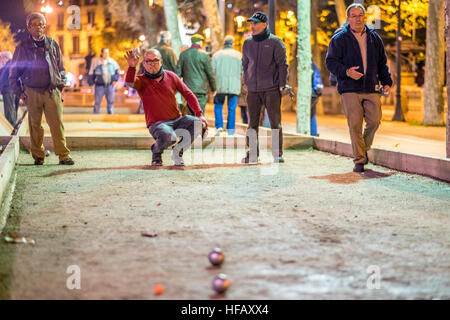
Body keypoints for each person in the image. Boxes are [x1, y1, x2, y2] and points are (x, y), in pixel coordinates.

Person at [325, 3, 392, 172]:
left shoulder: (374, 38)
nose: (357, 18)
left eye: (360, 15)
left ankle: (363, 148)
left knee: (375, 121)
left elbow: (382, 63)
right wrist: (347, 72)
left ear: (364, 17)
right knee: (355, 124)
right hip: (349, 88)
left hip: (371, 87)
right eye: (353, 16)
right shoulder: (339, 38)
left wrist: (387, 82)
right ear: (348, 19)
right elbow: (330, 62)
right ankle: (359, 160)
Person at [9, 12, 74, 165]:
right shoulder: (22, 47)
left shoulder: (52, 44)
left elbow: (60, 67)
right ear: (28, 27)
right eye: (34, 24)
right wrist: (20, 92)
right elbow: (13, 73)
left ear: (44, 26)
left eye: (41, 24)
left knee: (57, 124)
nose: (38, 27)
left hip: (52, 91)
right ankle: (38, 156)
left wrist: (60, 85)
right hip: (32, 91)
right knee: (35, 126)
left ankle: (63, 155)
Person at [125, 49, 208, 166]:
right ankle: (156, 152)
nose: (152, 64)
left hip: (176, 120)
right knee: (170, 137)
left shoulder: (171, 76)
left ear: (161, 61)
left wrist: (199, 114)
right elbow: (129, 82)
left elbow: (188, 94)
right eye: (148, 61)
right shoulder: (141, 80)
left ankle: (178, 151)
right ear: (143, 63)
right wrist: (132, 67)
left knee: (197, 123)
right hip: (157, 124)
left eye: (155, 60)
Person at [241, 12, 288, 163]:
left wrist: (281, 84)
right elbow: (245, 64)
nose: (252, 26)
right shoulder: (247, 43)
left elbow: (282, 65)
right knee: (252, 123)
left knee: (275, 122)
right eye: (251, 23)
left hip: (271, 89)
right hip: (253, 89)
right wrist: (247, 81)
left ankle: (277, 153)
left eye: (255, 23)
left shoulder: (276, 42)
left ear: (264, 24)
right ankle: (252, 153)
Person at [177, 34, 216, 115]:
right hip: (201, 90)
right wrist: (214, 88)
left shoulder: (183, 54)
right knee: (199, 113)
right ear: (200, 42)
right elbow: (210, 73)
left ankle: (191, 127)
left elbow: (178, 74)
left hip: (188, 89)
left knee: (189, 112)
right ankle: (198, 127)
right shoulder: (204, 55)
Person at [212, 35, 242, 136]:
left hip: (219, 85)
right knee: (232, 108)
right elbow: (243, 71)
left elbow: (212, 70)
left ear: (224, 43)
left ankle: (219, 126)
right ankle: (230, 129)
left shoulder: (217, 55)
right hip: (234, 85)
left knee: (218, 105)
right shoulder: (239, 55)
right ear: (232, 44)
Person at [88, 48, 120, 114]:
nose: (107, 54)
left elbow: (118, 71)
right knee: (97, 102)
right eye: (105, 53)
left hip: (110, 85)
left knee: (111, 102)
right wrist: (91, 83)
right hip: (99, 86)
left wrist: (115, 80)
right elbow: (91, 73)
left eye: (108, 53)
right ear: (102, 53)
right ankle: (95, 115)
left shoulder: (112, 61)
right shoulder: (96, 61)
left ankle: (110, 116)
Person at [0, 51, 20, 126]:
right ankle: (12, 126)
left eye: (1, 58)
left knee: (9, 111)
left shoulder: (10, 64)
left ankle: (11, 128)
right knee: (12, 110)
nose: (1, 60)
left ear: (6, 57)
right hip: (10, 90)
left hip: (9, 90)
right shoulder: (8, 65)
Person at [311, 61, 323, 137]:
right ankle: (313, 132)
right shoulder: (315, 66)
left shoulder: (309, 67)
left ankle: (312, 132)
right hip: (315, 94)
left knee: (310, 113)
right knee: (312, 113)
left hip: (311, 94)